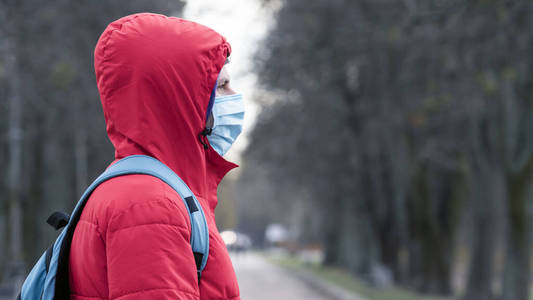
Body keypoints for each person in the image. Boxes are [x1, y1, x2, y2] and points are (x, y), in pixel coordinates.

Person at [68, 13, 244, 300]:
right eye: (222, 86)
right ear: (183, 99)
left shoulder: (156, 190)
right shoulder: (149, 204)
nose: (235, 95)